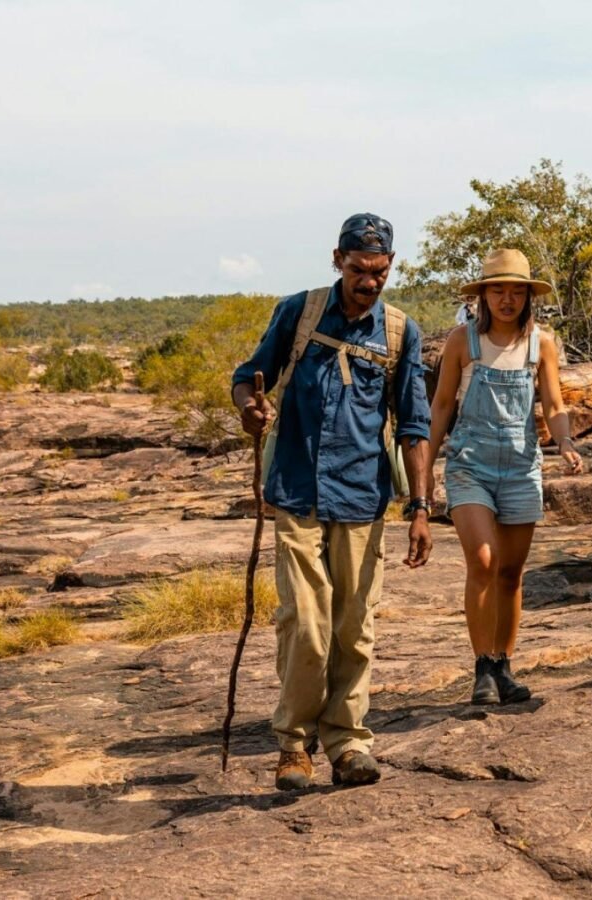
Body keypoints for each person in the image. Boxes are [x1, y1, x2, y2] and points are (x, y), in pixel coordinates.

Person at [232, 213, 433, 791]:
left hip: (363, 497)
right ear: (337, 259)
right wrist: (251, 407)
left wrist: (421, 507)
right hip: (297, 489)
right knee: (306, 625)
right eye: (357, 270)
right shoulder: (299, 312)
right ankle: (294, 746)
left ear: (390, 267)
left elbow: (413, 426)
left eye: (379, 272)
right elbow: (250, 377)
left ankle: (347, 743)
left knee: (354, 626)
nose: (368, 281)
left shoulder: (399, 332)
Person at [426, 248, 583, 705]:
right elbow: (441, 407)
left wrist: (567, 442)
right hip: (470, 464)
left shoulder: (543, 344)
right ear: (483, 295)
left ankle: (503, 666)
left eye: (517, 291)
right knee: (484, 560)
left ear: (529, 296)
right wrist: (424, 471)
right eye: (498, 289)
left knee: (512, 573)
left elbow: (553, 406)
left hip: (520, 466)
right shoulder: (462, 342)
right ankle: (481, 668)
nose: (508, 299)